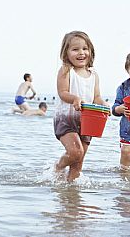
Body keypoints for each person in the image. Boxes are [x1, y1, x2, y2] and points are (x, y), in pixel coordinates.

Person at [53, 31, 109, 182]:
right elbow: (62, 92)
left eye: (85, 48)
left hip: (87, 121)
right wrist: (75, 99)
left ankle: (71, 196)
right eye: (75, 49)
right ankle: (58, 166)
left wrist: (103, 104)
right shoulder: (66, 70)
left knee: (79, 161)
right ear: (66, 53)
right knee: (75, 152)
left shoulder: (93, 74)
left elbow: (96, 97)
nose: (81, 53)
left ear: (91, 51)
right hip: (66, 118)